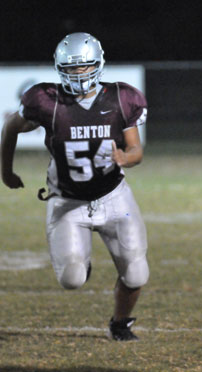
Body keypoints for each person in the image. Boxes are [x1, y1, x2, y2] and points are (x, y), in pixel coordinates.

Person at [1, 32, 149, 341]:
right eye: (70, 68)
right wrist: (6, 171)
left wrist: (126, 156)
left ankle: (120, 323)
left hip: (113, 198)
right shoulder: (46, 101)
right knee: (72, 279)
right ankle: (81, 259)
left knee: (137, 273)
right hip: (67, 202)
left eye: (84, 66)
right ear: (59, 68)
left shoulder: (122, 98)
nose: (78, 73)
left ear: (99, 64)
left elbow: (136, 151)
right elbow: (10, 127)